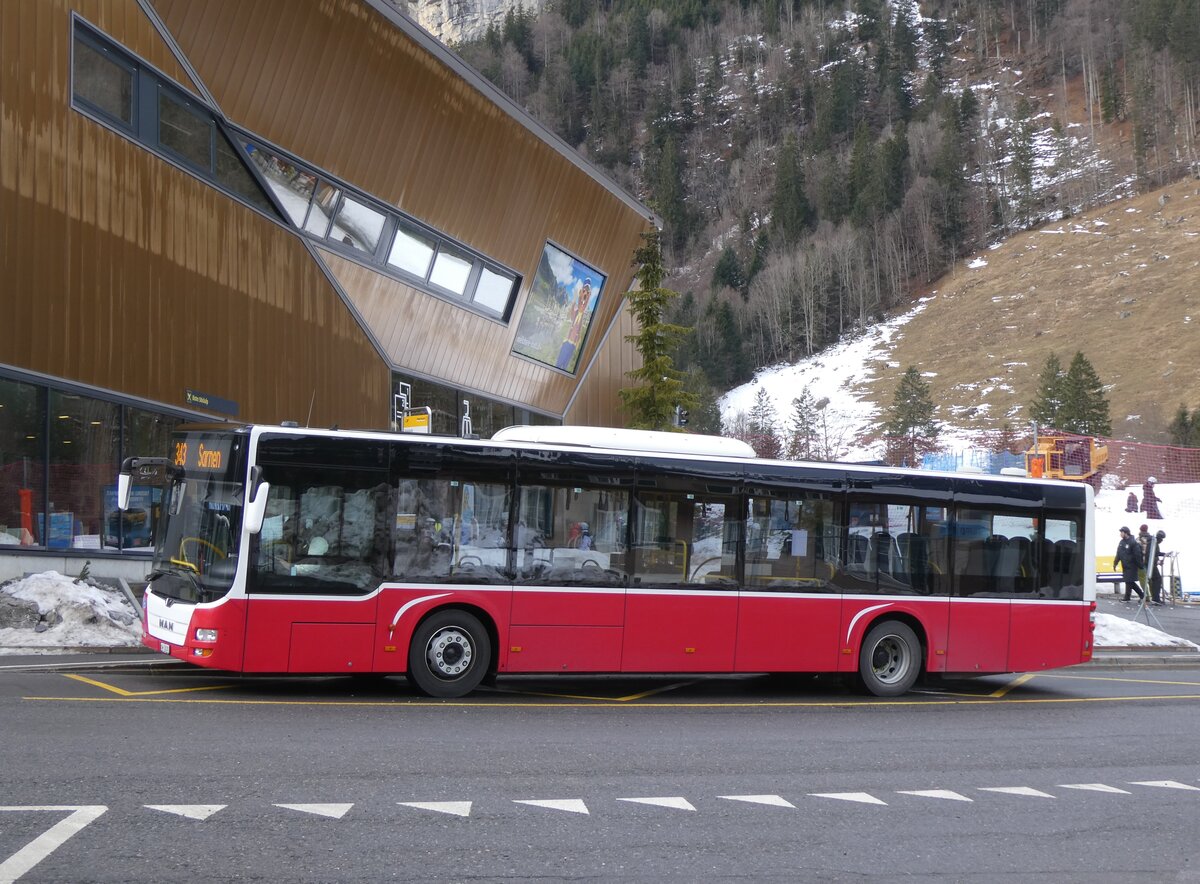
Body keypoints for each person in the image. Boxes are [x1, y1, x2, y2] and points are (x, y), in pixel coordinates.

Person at [1113, 526, 1144, 603]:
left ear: (1126, 533)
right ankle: (1140, 595)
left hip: (1132, 565)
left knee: (1129, 581)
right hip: (1125, 566)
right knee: (1129, 581)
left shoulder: (1133, 542)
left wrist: (1140, 565)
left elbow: (1137, 555)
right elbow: (1119, 553)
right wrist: (1115, 563)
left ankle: (1128, 597)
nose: (1120, 534)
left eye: (1122, 532)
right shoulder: (1121, 542)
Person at [1149, 529, 1167, 605]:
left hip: (1151, 565)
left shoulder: (1154, 542)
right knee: (1157, 580)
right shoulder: (1154, 543)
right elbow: (1152, 554)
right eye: (1162, 539)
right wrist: (1158, 561)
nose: (1162, 540)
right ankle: (1156, 599)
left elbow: (1156, 553)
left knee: (1155, 580)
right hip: (1151, 565)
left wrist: (1164, 554)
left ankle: (1155, 598)